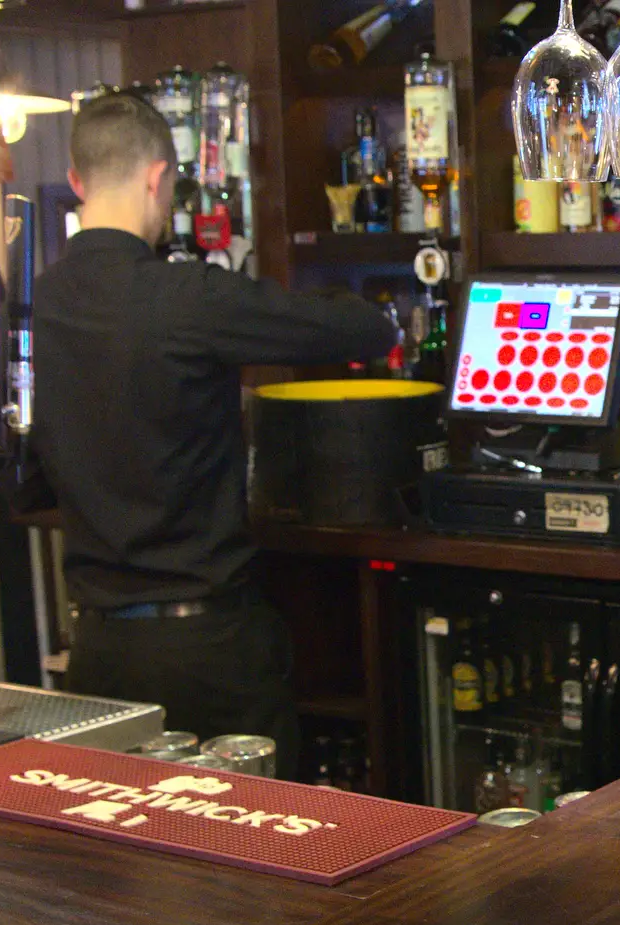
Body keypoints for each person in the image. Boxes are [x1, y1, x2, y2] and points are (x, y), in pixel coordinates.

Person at [22, 94, 394, 776]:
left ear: (77, 181)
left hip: (98, 652)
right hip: (209, 650)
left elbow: (32, 476)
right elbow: (358, 332)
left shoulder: (43, 300)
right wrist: (374, 310)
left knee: (123, 855)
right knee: (253, 853)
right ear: (158, 177)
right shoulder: (188, 295)